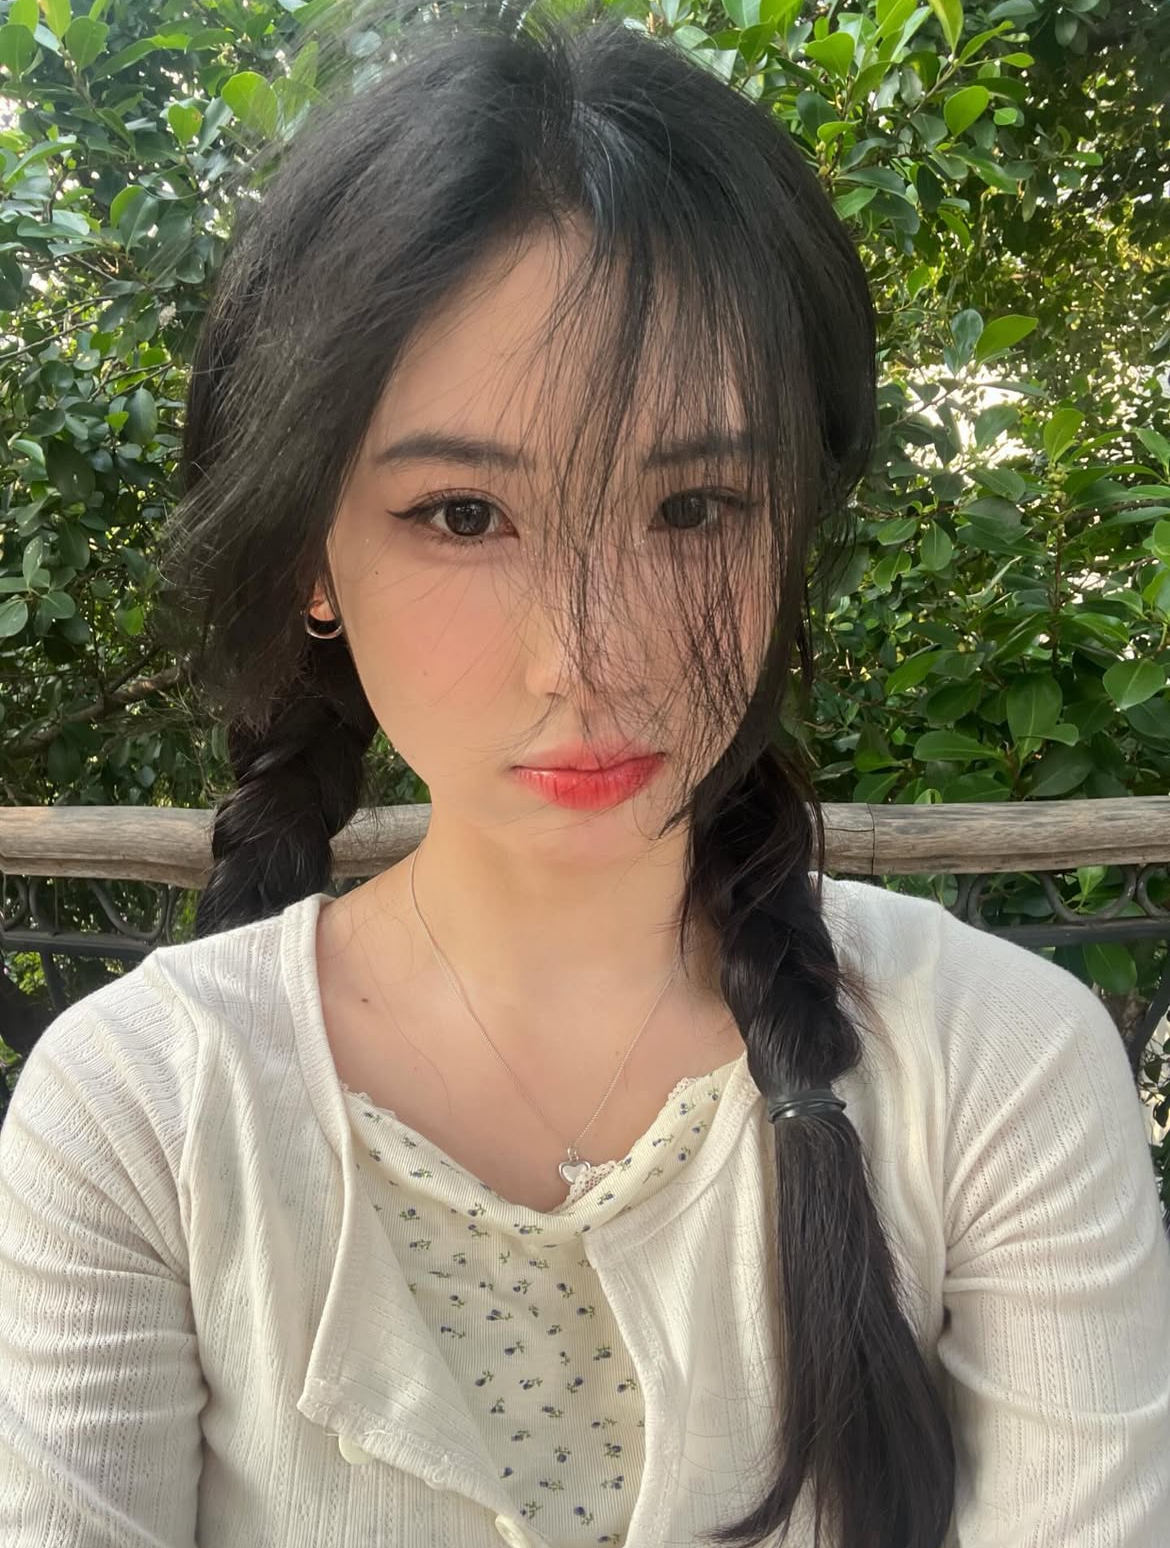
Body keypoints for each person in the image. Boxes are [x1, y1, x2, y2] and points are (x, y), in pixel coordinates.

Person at [2, 4, 1168, 1546]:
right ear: (309, 558)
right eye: (463, 515)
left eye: (694, 508)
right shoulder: (138, 1114)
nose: (586, 656)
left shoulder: (995, 1069)